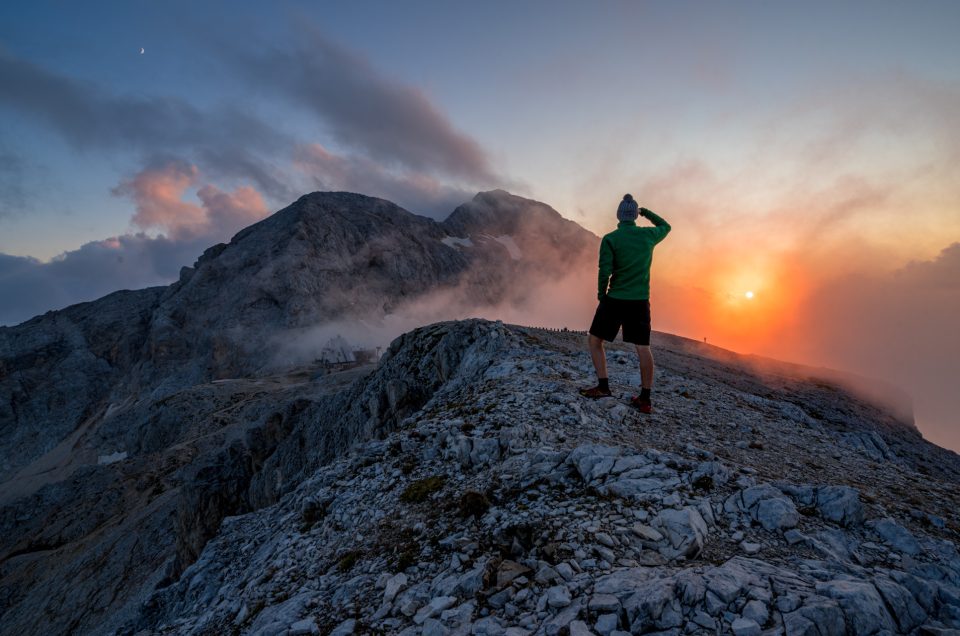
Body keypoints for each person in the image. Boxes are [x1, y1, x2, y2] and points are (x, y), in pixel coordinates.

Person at [579, 194, 671, 413]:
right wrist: (646, 212)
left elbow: (605, 270)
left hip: (616, 298)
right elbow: (666, 226)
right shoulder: (648, 235)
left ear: (619, 215)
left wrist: (602, 294)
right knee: (643, 348)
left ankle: (603, 387)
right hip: (639, 300)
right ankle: (645, 399)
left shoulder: (611, 239)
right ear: (635, 215)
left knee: (595, 341)